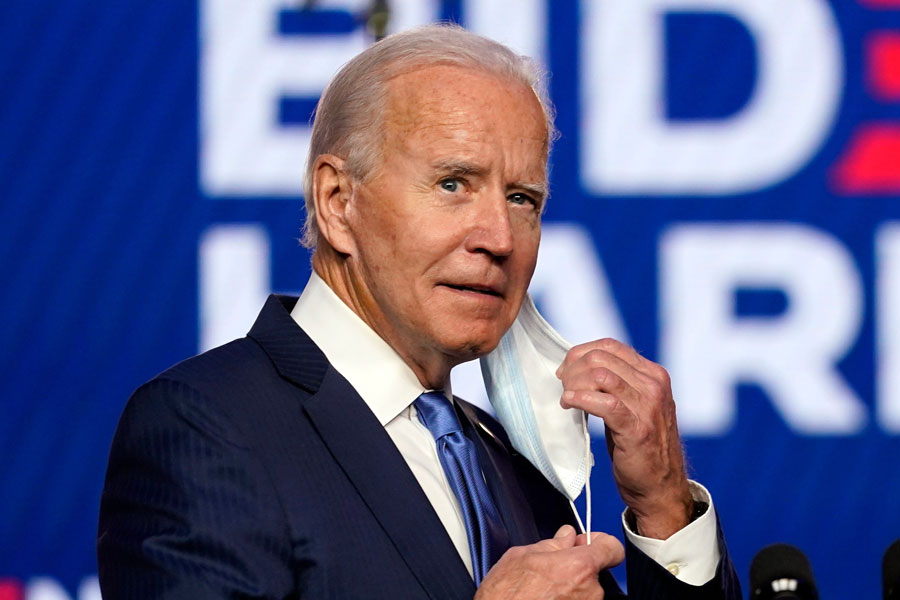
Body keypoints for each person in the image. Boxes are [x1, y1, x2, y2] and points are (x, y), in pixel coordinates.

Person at [98, 24, 740, 599]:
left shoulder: (518, 470)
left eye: (523, 198)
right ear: (337, 202)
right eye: (453, 184)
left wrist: (663, 508)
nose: (500, 237)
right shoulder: (206, 427)